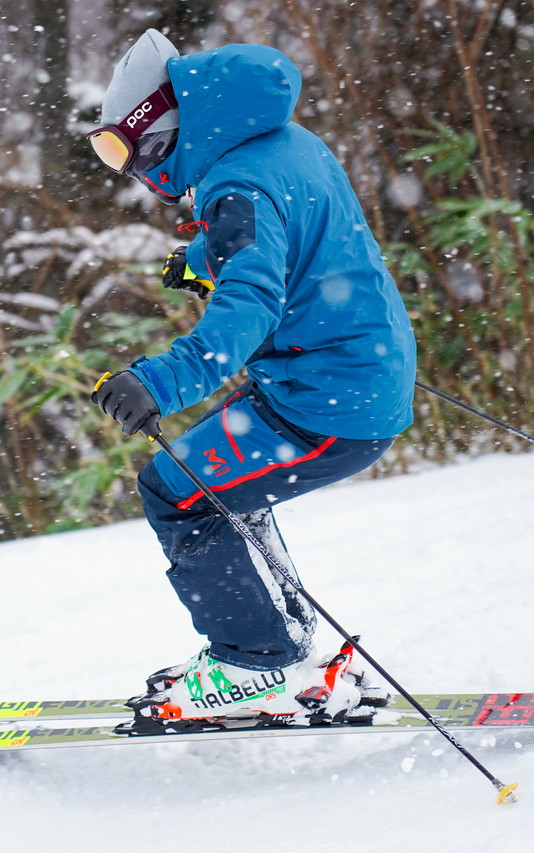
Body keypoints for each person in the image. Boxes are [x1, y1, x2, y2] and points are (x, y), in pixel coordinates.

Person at [87, 30, 416, 722]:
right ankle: (279, 641)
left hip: (327, 403)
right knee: (216, 487)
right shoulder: (281, 142)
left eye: (124, 150)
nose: (131, 170)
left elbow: (247, 308)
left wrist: (158, 381)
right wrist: (205, 255)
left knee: (176, 490)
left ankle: (254, 659)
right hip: (349, 373)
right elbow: (289, 232)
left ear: (161, 131)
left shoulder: (234, 185)